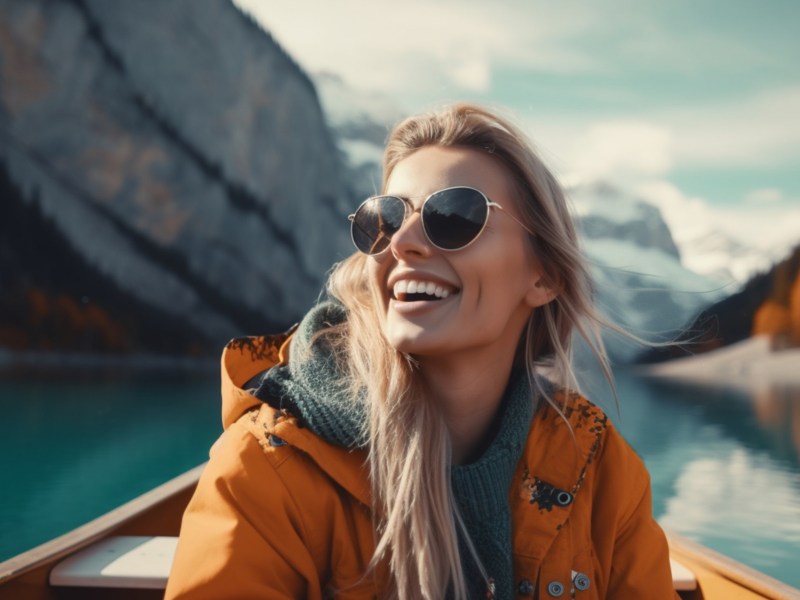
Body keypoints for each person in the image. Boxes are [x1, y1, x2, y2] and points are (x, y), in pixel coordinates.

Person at [165, 103, 677, 599]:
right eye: (385, 218)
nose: (402, 241)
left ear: (543, 276)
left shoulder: (599, 470)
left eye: (454, 215)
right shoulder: (264, 468)